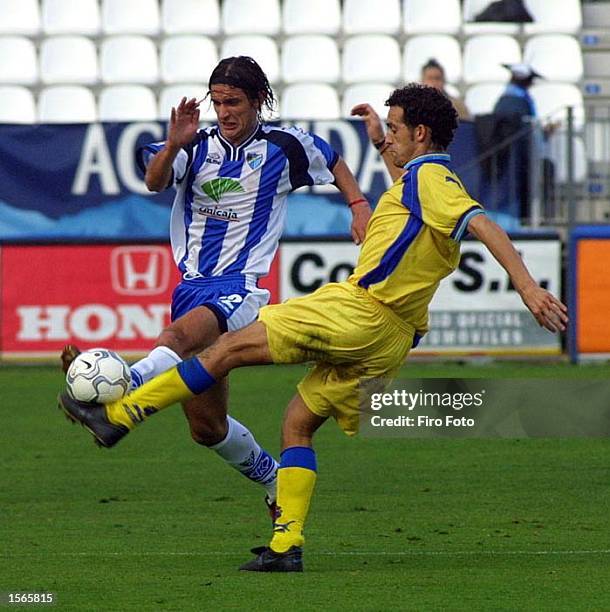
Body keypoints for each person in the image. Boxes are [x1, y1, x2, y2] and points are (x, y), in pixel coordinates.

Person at [59, 83, 568, 572]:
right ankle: (287, 544)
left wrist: (527, 287)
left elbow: (482, 223)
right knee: (297, 423)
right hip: (392, 341)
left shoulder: (432, 181)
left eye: (394, 129)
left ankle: (122, 413)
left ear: (422, 135)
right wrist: (376, 140)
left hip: (361, 311)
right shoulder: (420, 183)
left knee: (226, 350)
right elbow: (413, 194)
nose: (387, 137)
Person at [60, 55, 371, 517]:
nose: (225, 112)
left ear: (259, 101)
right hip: (191, 287)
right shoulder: (195, 146)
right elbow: (154, 180)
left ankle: (121, 391)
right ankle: (273, 482)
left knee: (175, 339)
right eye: (219, 102)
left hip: (241, 288)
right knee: (207, 428)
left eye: (235, 102)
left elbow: (335, 160)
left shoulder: (284, 147)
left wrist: (359, 204)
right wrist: (172, 144)